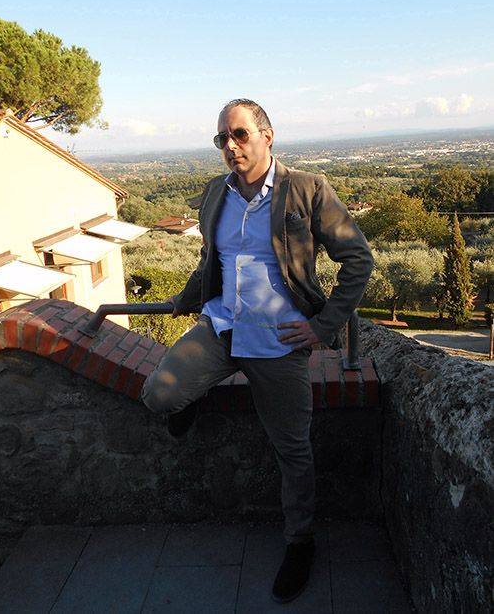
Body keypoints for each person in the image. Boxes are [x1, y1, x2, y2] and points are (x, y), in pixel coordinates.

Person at [141, 98, 374, 603]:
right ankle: (195, 393)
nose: (230, 145)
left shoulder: (308, 189)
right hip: (222, 327)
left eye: (240, 134)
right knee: (159, 395)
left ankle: (300, 542)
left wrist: (323, 326)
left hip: (279, 341)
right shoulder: (214, 193)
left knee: (293, 450)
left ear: (268, 136)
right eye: (222, 138)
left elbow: (358, 259)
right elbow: (211, 260)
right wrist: (185, 299)